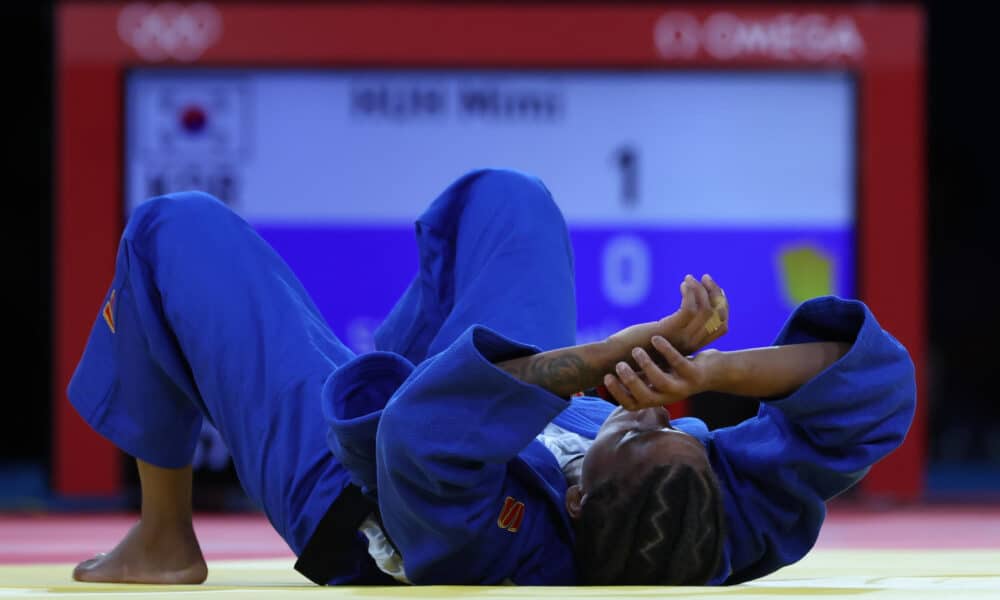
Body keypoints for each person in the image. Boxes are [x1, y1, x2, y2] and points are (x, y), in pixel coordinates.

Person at [68, 169, 916, 587]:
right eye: (675, 428)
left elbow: (416, 438)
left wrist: (599, 356)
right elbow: (877, 396)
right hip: (454, 393)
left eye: (637, 429)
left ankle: (164, 540)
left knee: (173, 229)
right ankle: (447, 341)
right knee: (511, 200)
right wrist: (711, 369)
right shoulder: (714, 517)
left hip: (348, 489)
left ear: (579, 500)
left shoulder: (513, 547)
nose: (658, 416)